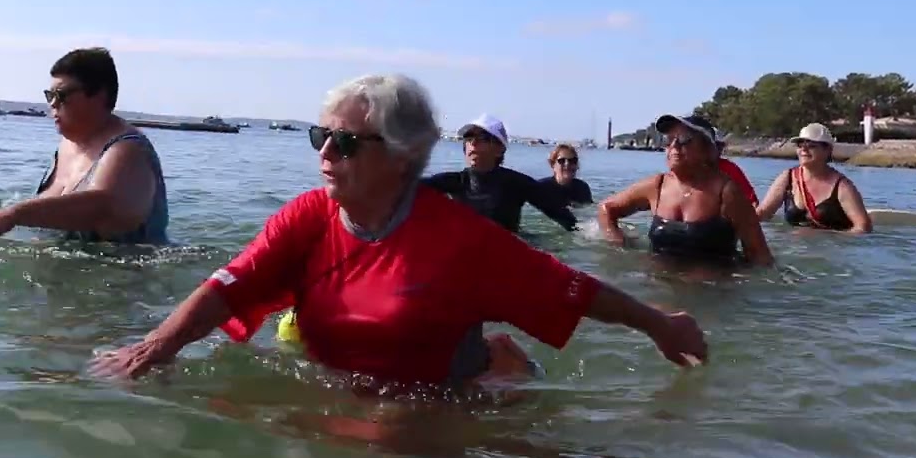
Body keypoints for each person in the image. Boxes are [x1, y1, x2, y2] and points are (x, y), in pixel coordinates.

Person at [89, 75, 708, 391]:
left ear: (405, 154)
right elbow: (226, 287)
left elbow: (570, 287)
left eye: (347, 140)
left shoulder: (460, 240)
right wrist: (148, 351)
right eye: (320, 135)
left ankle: (500, 364)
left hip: (441, 403)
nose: (326, 150)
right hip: (344, 387)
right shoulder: (308, 215)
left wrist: (660, 324)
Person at [0, 47, 170, 246]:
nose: (52, 104)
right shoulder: (67, 146)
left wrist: (16, 213)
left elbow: (103, 207)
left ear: (99, 96)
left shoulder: (127, 151)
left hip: (121, 278)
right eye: (49, 95)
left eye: (62, 95)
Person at [598, 114, 774, 267]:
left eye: (683, 139)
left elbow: (760, 256)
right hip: (658, 290)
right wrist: (619, 247)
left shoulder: (726, 193)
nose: (674, 146)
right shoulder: (657, 186)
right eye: (669, 140)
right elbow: (606, 209)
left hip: (711, 295)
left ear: (707, 149)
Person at [422, 114, 578, 232]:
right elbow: (406, 189)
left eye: (482, 137)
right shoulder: (453, 182)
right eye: (469, 138)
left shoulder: (516, 184)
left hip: (507, 254)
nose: (473, 143)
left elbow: (566, 219)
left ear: (499, 149)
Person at [755, 123, 871, 232]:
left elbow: (863, 227)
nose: (804, 150)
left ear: (827, 150)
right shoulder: (787, 178)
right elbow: (763, 213)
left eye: (811, 146)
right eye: (800, 145)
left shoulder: (842, 186)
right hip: (795, 249)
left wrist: (833, 240)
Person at [713, 130, 758, 207]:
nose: (719, 150)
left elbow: (752, 201)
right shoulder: (691, 168)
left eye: (720, 146)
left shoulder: (730, 168)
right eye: (715, 145)